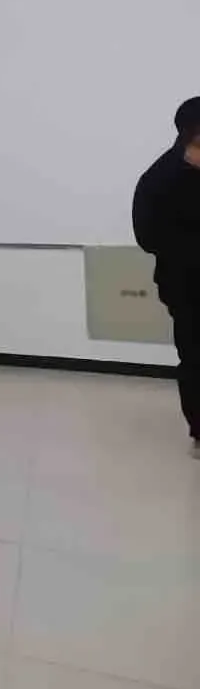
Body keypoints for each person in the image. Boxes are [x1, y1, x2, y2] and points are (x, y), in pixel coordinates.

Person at [133, 97, 200, 455]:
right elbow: (147, 237)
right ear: (189, 136)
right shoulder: (158, 179)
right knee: (196, 359)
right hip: (187, 287)